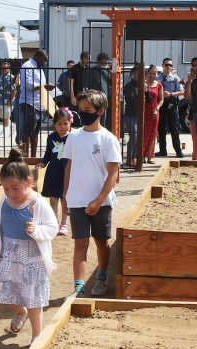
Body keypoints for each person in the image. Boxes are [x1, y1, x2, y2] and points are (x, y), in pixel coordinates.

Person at [0, 148, 58, 344]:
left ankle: (36, 336)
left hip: (32, 258)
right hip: (9, 256)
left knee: (34, 300)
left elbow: (52, 228)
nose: (10, 193)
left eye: (15, 188)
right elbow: (2, 224)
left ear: (28, 183)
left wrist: (36, 230)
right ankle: (21, 312)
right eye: (6, 188)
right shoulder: (5, 201)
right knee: (5, 293)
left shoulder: (38, 204)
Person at [61, 89, 121, 297]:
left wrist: (99, 199)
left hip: (101, 202)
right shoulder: (73, 137)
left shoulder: (108, 139)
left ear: (100, 111)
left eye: (88, 109)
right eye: (80, 109)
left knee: (101, 241)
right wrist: (65, 195)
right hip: (77, 200)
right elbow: (68, 167)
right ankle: (79, 286)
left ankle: (101, 277)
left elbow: (113, 173)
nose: (83, 113)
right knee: (80, 242)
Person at [38, 108, 72, 236]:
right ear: (54, 125)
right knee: (53, 198)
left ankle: (64, 223)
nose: (62, 127)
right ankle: (53, 222)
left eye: (65, 123)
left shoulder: (73, 138)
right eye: (59, 124)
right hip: (53, 172)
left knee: (65, 198)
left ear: (70, 123)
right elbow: (48, 154)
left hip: (67, 173)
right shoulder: (51, 137)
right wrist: (42, 163)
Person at [19, 50, 56, 157]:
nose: (44, 63)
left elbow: (40, 86)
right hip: (28, 102)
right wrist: (44, 86)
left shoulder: (39, 68)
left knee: (35, 132)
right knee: (28, 130)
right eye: (44, 60)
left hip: (39, 104)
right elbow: (27, 85)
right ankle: (25, 156)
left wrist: (45, 87)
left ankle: (33, 157)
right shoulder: (27, 66)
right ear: (38, 56)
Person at [157, 57, 184, 158]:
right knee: (161, 129)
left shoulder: (175, 78)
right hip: (160, 104)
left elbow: (182, 92)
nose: (168, 67)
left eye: (170, 65)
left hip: (171, 104)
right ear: (162, 65)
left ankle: (178, 151)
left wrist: (171, 94)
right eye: (166, 65)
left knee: (174, 129)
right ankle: (162, 150)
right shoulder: (157, 78)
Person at [143, 65, 163, 164]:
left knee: (153, 134)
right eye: (151, 73)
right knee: (144, 134)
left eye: (154, 74)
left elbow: (161, 99)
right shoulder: (143, 84)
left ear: (157, 74)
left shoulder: (159, 85)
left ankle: (150, 156)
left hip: (155, 112)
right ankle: (142, 155)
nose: (152, 76)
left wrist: (157, 108)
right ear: (147, 73)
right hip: (144, 112)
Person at [122, 64, 140, 166]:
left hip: (140, 115)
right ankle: (130, 158)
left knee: (138, 137)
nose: (139, 76)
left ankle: (135, 157)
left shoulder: (143, 85)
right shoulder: (129, 86)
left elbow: (149, 100)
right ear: (133, 74)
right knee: (134, 136)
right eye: (137, 73)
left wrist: (146, 92)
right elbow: (131, 100)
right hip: (130, 114)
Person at [88, 52, 111, 127]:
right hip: (94, 98)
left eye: (106, 63)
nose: (104, 65)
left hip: (104, 98)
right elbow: (88, 84)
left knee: (103, 120)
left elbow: (112, 83)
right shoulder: (92, 71)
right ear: (98, 62)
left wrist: (111, 72)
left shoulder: (107, 71)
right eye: (102, 63)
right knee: (94, 119)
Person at [0, 62, 16, 138]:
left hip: (7, 101)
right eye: (3, 68)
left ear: (9, 68)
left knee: (6, 117)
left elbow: (14, 90)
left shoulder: (11, 77)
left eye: (5, 68)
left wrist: (10, 101)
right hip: (0, 100)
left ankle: (5, 132)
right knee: (2, 116)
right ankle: (11, 126)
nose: (4, 69)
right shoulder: (1, 76)